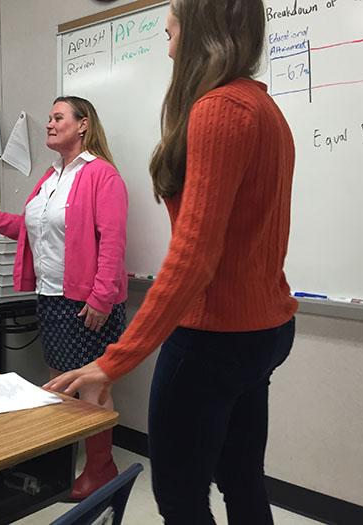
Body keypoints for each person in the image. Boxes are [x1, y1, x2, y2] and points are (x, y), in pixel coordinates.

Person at [45, 1, 297, 523]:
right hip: (264, 330)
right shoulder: (264, 107)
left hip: (214, 336)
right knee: (242, 480)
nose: (167, 44)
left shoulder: (220, 109)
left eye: (171, 31)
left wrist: (112, 361)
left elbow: (192, 259)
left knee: (181, 498)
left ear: (200, 32)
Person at [0, 96, 128, 501]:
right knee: (64, 384)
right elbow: (28, 229)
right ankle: (75, 462)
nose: (49, 124)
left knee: (92, 386)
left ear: (83, 124)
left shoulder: (101, 175)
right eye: (49, 118)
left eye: (58, 117)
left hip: (87, 302)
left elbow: (113, 241)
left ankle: (101, 468)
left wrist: (102, 299)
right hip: (51, 297)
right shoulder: (50, 179)